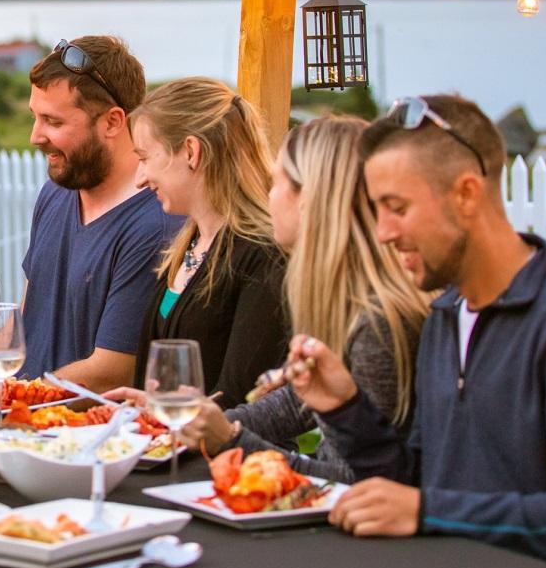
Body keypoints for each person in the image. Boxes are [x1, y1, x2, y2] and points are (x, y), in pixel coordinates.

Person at [286, 94, 546, 568]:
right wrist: (346, 411)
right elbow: (419, 482)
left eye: (397, 207)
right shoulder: (446, 315)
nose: (384, 232)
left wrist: (427, 512)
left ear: (466, 194)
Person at [165, 115, 428, 481]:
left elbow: (354, 484)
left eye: (276, 183)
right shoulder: (343, 301)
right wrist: (190, 426)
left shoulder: (377, 325)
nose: (267, 196)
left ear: (310, 199)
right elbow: (294, 403)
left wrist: (230, 439)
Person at [16, 36, 181, 390]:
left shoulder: (156, 224)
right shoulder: (54, 194)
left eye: (53, 122)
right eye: (35, 117)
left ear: (112, 121)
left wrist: (14, 395)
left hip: (89, 433)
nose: (35, 136)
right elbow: (26, 319)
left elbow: (112, 371)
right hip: (19, 423)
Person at [126, 76, 287, 403]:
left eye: (145, 158)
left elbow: (244, 397)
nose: (140, 179)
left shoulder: (262, 255)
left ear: (190, 151)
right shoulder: (188, 244)